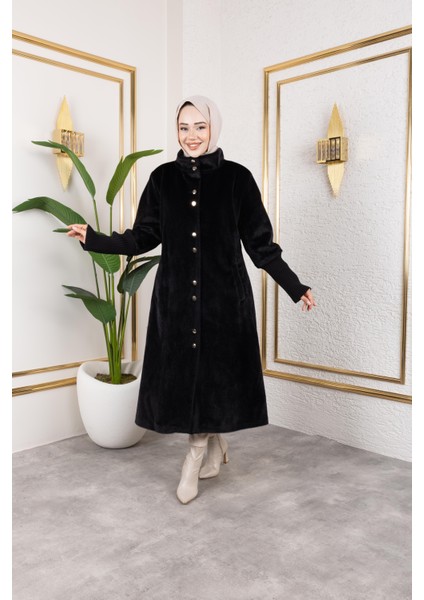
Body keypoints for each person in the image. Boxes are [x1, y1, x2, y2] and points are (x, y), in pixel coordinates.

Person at [68, 95, 316, 505]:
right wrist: (94, 239)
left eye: (200, 126)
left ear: (213, 127)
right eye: (184, 128)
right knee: (192, 378)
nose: (192, 135)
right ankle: (214, 446)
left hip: (224, 302)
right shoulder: (162, 179)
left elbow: (261, 246)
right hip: (177, 302)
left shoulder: (238, 179)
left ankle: (194, 456)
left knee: (213, 377)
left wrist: (295, 286)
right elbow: (142, 237)